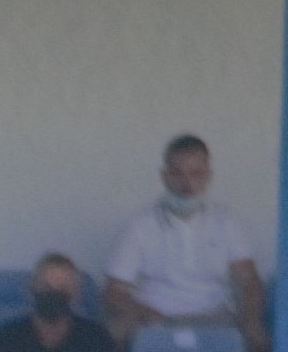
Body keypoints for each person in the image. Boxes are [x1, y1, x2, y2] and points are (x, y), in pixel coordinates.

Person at [104, 134, 264, 341]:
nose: (187, 184)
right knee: (117, 329)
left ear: (208, 176)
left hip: (215, 317)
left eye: (196, 174)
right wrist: (142, 312)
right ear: (164, 176)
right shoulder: (140, 225)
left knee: (259, 336)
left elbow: (249, 279)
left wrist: (250, 317)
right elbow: (113, 291)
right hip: (155, 319)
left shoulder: (226, 222)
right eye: (177, 174)